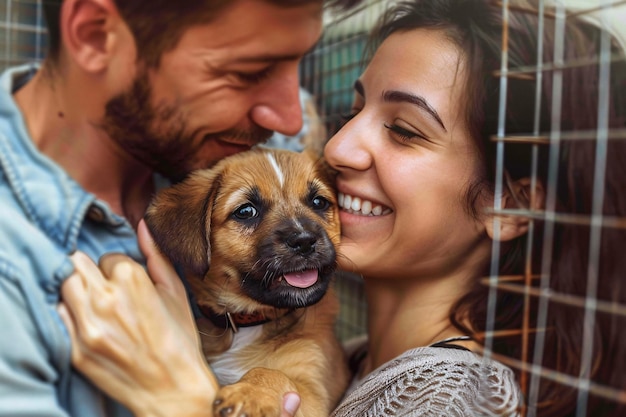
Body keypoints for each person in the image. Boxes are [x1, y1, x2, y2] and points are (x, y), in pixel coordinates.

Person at [57, 0, 626, 416]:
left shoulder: (451, 398)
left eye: (404, 130)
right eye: (356, 110)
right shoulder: (357, 363)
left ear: (509, 203)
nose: (337, 149)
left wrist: (174, 397)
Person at [0, 0, 364, 416]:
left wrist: (181, 402)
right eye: (246, 72)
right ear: (95, 34)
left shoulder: (250, 149)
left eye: (296, 68)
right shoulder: (12, 271)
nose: (289, 119)